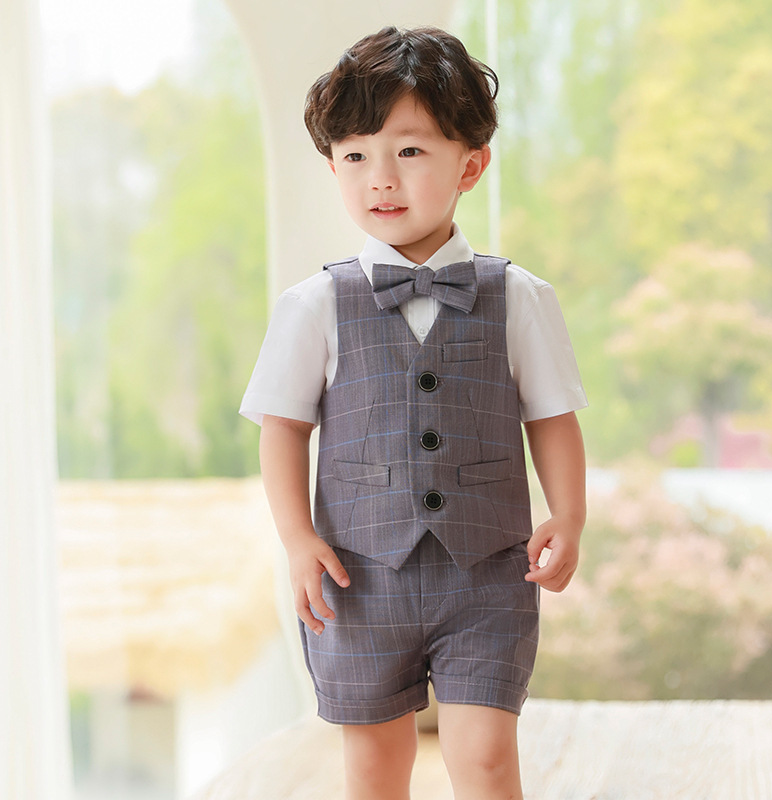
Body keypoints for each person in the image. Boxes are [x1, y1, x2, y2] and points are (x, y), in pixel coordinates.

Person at [240, 25, 587, 800]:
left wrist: (569, 515)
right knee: (374, 767)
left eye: (409, 151)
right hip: (358, 578)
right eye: (355, 156)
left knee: (487, 759)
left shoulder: (519, 297)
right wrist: (297, 539)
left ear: (471, 164)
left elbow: (553, 417)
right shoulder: (315, 305)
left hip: (487, 576)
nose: (381, 179)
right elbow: (283, 429)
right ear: (332, 165)